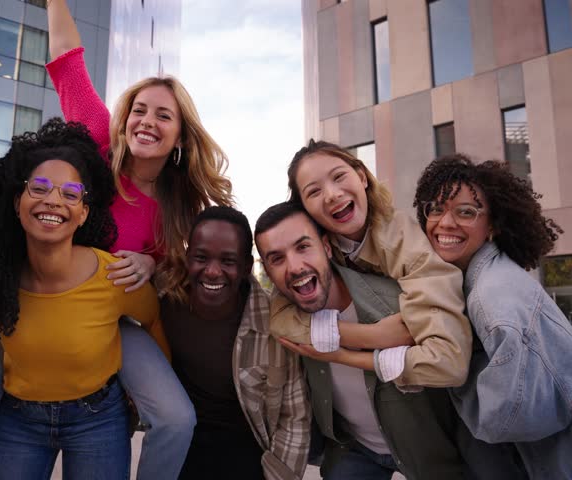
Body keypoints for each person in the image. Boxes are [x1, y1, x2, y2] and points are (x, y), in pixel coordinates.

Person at [0, 1, 232, 477]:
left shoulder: (181, 209)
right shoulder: (95, 138)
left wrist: (152, 266)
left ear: (181, 137)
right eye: (139, 109)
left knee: (176, 419)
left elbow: (176, 273)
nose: (146, 121)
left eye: (163, 116)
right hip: (26, 299)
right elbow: (68, 57)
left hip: (111, 318)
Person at [0, 118, 170, 479]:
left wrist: (144, 392)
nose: (53, 201)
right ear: (17, 201)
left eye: (70, 194)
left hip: (97, 420)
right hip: (19, 420)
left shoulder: (113, 275)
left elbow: (152, 321)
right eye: (38, 188)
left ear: (84, 211)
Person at [255, 202, 525, 480]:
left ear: (326, 247)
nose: (294, 266)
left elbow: (453, 365)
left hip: (435, 454)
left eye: (303, 247)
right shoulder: (288, 323)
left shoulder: (398, 302)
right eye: (277, 259)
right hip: (355, 450)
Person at [414, 154, 572, 479]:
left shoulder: (493, 296)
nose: (445, 223)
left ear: (492, 226)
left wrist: (448, 366)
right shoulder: (481, 281)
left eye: (465, 212)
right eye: (435, 209)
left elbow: (508, 414)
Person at [270, 140, 471, 392]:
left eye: (339, 176)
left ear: (362, 176)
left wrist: (341, 356)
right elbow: (278, 317)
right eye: (314, 192)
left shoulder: (409, 247)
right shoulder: (317, 250)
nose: (332, 195)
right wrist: (369, 336)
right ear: (305, 209)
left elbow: (449, 363)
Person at [161, 206, 310, 480]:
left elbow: (294, 418)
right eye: (201, 258)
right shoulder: (165, 302)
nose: (213, 271)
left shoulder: (274, 324)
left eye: (228, 261)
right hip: (183, 440)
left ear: (246, 267)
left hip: (246, 446)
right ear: (187, 258)